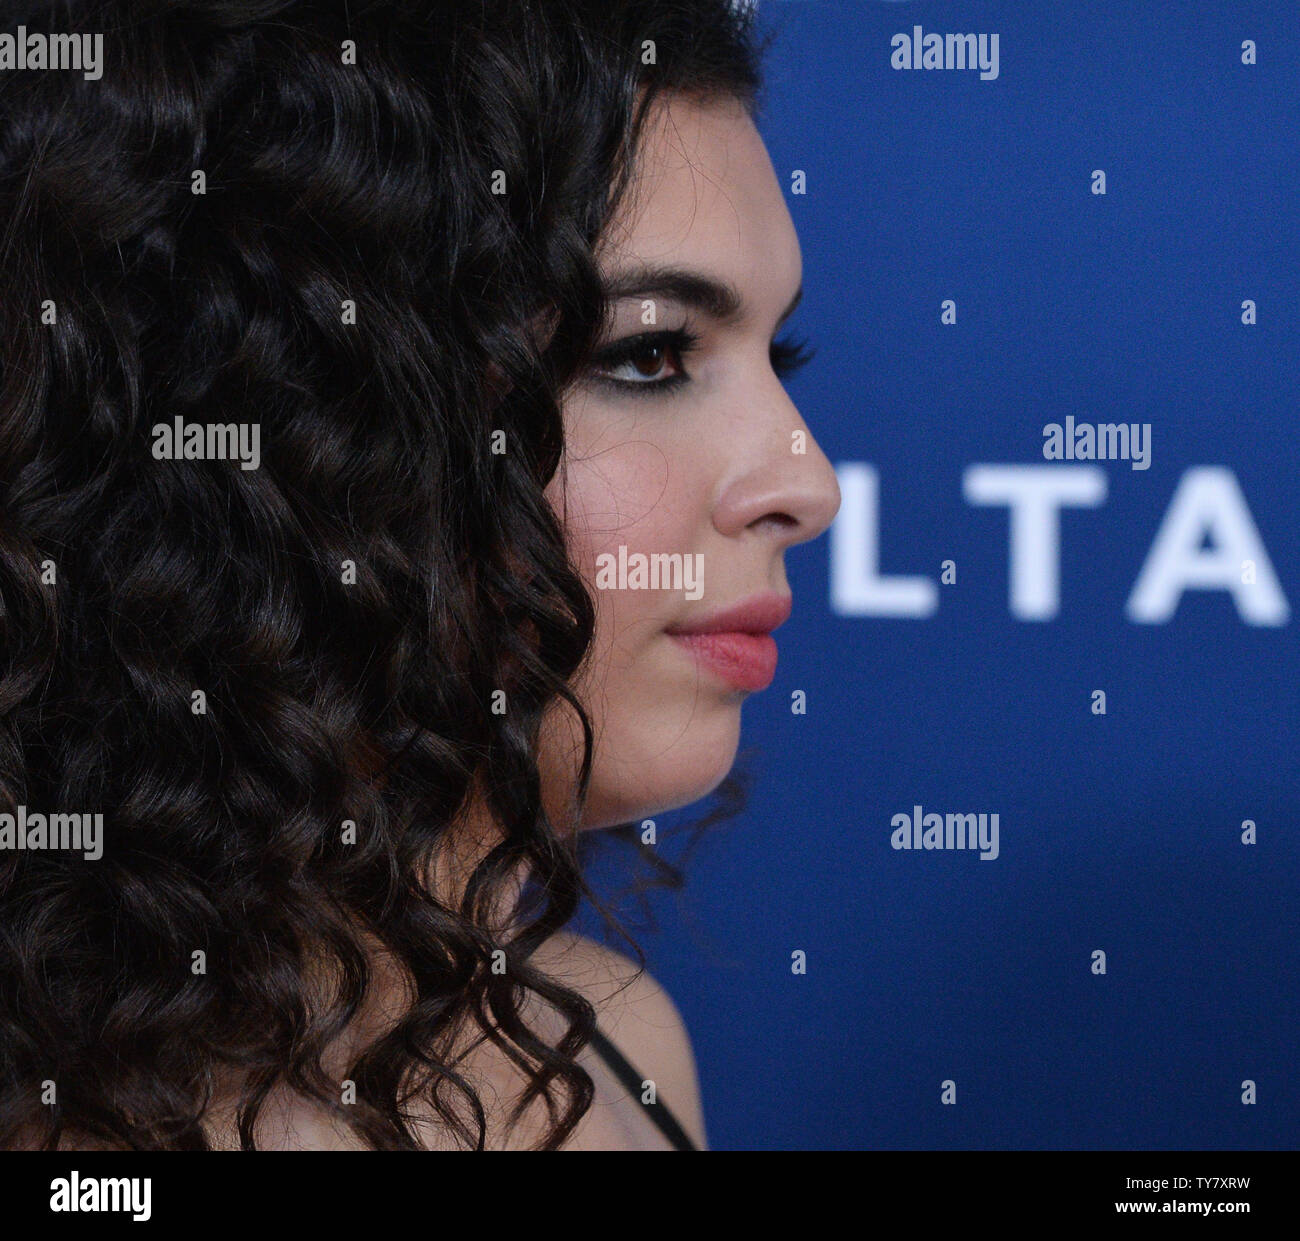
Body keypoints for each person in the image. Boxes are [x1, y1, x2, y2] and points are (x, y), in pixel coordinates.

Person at [0, 0, 839, 1150]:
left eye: (775, 354)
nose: (810, 485)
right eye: (649, 354)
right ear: (308, 430)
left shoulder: (614, 1047)